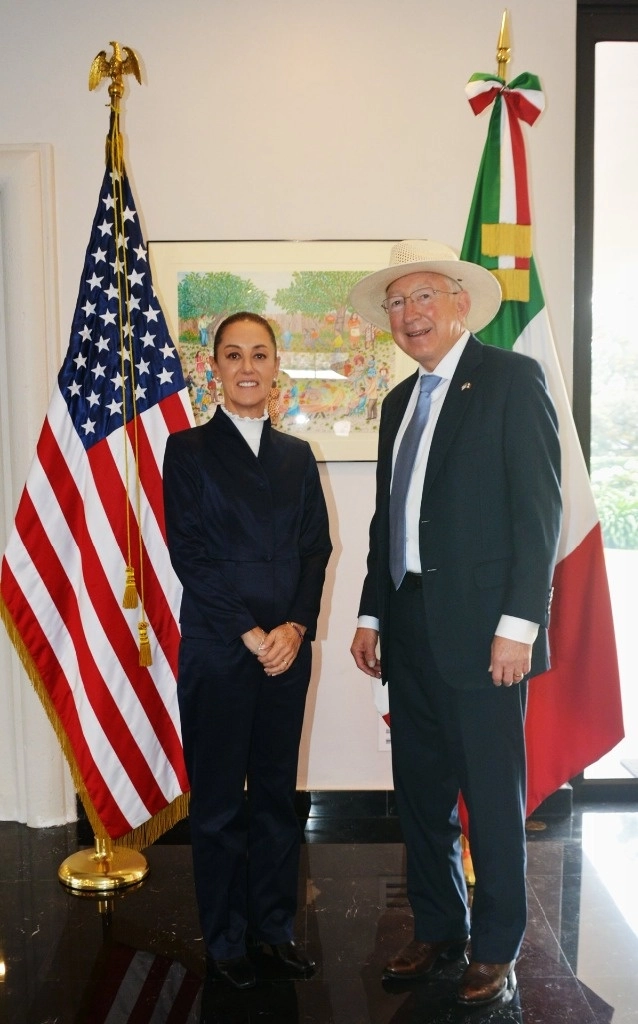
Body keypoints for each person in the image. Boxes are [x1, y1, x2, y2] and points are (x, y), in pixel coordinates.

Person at [349, 240, 562, 1006]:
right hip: (407, 631)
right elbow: (390, 522)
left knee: (492, 799)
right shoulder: (398, 403)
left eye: (424, 298)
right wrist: (373, 611)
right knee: (421, 791)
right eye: (397, 304)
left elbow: (539, 515)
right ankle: (437, 927)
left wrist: (519, 626)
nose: (409, 315)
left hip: (484, 636)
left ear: (460, 304)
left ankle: (495, 943)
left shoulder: (511, 380)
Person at [163, 312, 332, 990]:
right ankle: (226, 938)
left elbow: (315, 551)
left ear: (274, 367)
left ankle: (274, 928)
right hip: (219, 648)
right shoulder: (188, 450)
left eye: (260, 354)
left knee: (274, 799)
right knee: (218, 804)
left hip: (285, 654)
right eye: (234, 355)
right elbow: (192, 556)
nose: (248, 367)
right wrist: (251, 632)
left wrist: (295, 628)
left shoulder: (296, 457)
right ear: (215, 369)